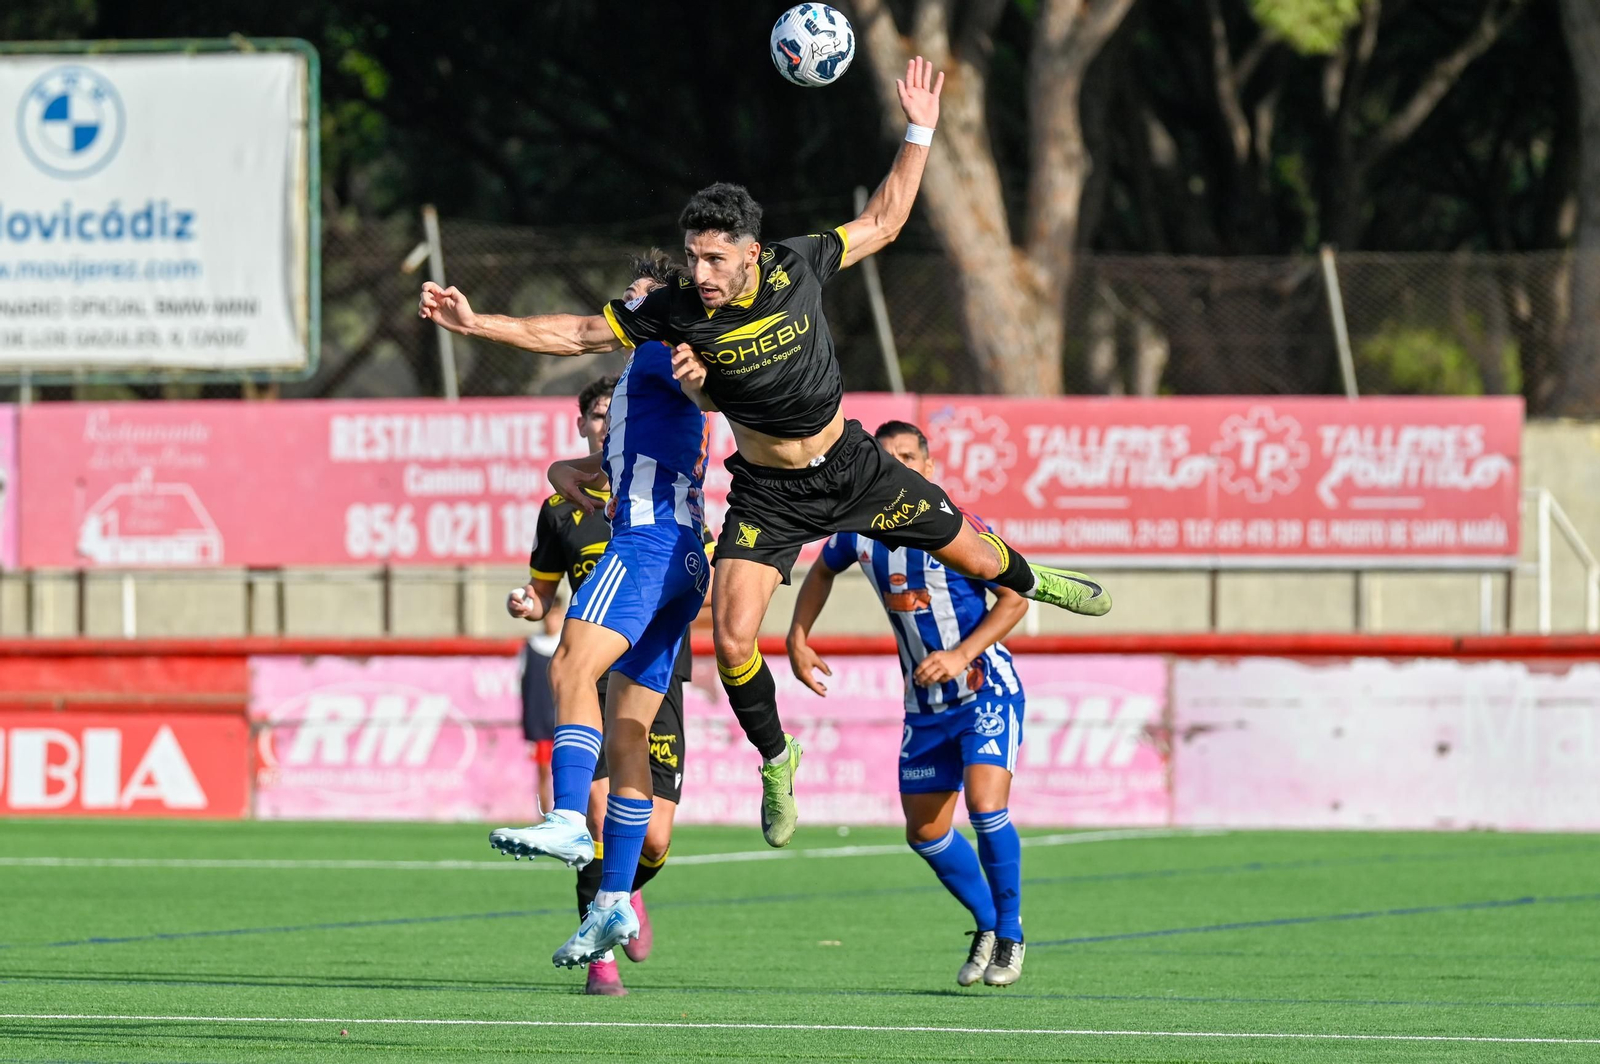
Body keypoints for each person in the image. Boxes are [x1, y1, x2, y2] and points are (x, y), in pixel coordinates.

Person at [420, 56, 1111, 852]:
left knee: (985, 564)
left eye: (715, 258)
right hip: (769, 494)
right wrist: (478, 324)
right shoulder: (678, 311)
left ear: (751, 251)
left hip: (854, 468)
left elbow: (885, 221)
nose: (701, 274)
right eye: (693, 258)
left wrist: (920, 130)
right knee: (737, 639)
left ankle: (1037, 578)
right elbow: (574, 332)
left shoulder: (799, 262)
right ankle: (779, 759)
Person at [489, 258, 711, 972]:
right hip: (685, 561)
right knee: (626, 731)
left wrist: (475, 322)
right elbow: (574, 471)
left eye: (638, 298)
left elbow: (571, 333)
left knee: (569, 664)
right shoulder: (648, 388)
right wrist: (575, 482)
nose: (626, 307)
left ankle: (565, 821)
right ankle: (615, 897)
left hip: (647, 545)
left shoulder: (656, 352)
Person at [787, 421, 1031, 988]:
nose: (897, 464)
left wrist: (960, 653)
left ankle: (1012, 935)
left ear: (928, 466)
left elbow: (1015, 597)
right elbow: (821, 570)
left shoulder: (961, 527)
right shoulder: (859, 531)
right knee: (923, 832)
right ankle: (989, 924)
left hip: (983, 689)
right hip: (923, 705)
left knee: (985, 804)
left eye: (908, 456)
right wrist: (798, 637)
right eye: (886, 456)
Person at [518, 596, 561, 819]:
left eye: (555, 614)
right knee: (544, 771)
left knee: (567, 770)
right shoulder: (531, 646)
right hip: (540, 720)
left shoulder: (568, 645)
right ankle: (546, 817)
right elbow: (524, 684)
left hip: (566, 718)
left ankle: (569, 817)